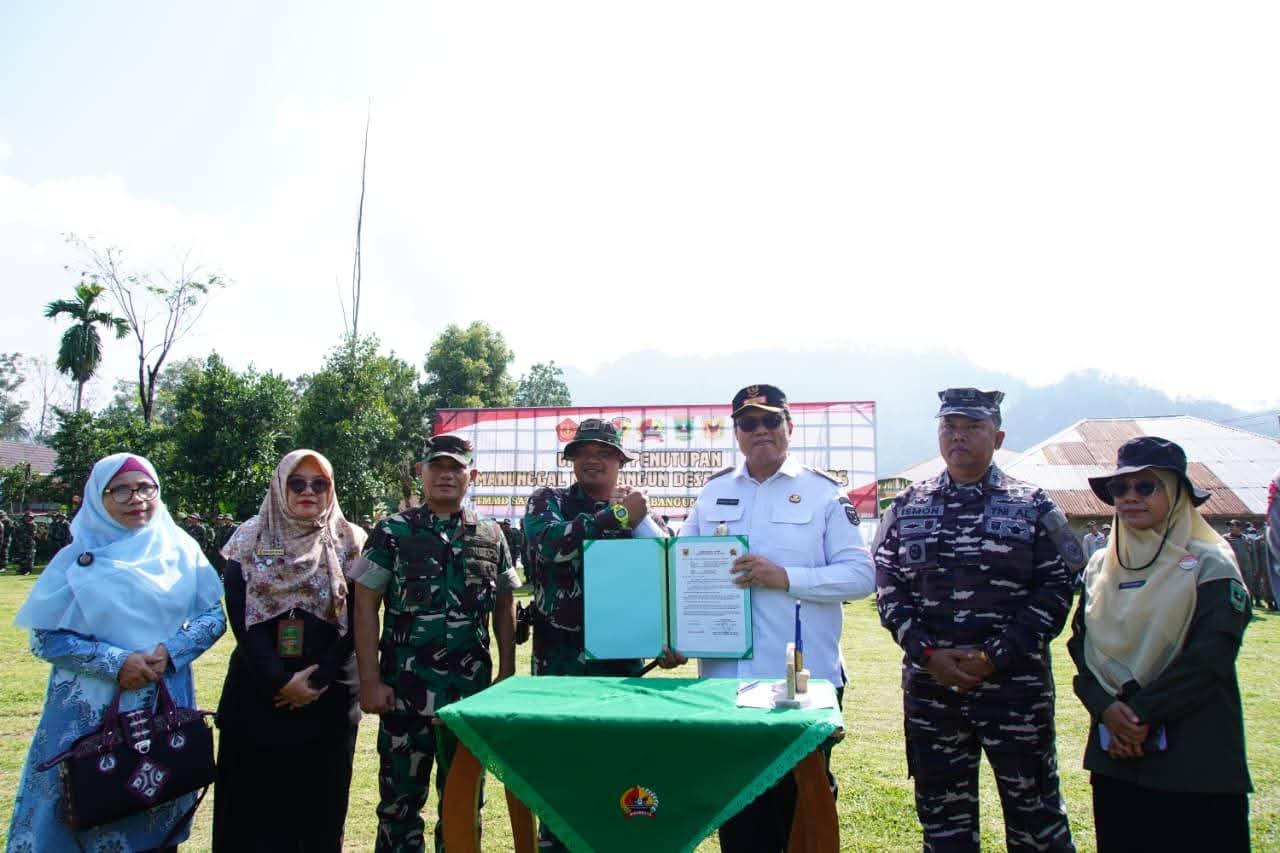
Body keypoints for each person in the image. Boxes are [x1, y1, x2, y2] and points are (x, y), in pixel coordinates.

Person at [874, 388, 1082, 852]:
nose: (959, 437)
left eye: (973, 427)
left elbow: (1056, 590)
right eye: (950, 427)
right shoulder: (908, 506)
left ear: (999, 436)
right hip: (934, 692)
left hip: (1015, 691)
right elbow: (888, 587)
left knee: (1036, 820)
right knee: (943, 822)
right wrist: (927, 654)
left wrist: (996, 655)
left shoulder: (1033, 506)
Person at [681, 383, 875, 852]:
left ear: (789, 426)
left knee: (800, 812)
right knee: (740, 810)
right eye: (749, 423)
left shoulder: (824, 493)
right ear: (736, 433)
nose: (761, 430)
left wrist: (785, 577)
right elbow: (680, 567)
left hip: (800, 680)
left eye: (771, 420)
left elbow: (861, 576)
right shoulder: (713, 493)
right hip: (726, 681)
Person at [7, 453, 226, 852]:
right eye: (120, 490)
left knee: (155, 802)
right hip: (88, 717)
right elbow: (45, 638)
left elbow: (213, 617)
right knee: (83, 810)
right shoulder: (76, 560)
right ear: (98, 497)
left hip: (163, 707)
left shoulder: (180, 549)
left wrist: (171, 651)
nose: (135, 498)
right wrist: (115, 662)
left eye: (145, 488)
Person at [1068, 436, 1252, 850]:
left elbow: (1209, 660)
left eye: (1146, 486)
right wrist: (1106, 711)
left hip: (1192, 760)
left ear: (1177, 492)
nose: (1130, 497)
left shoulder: (1210, 563)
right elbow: (1081, 650)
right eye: (1120, 488)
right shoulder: (1102, 566)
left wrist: (1135, 716)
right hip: (1115, 758)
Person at [353, 435, 520, 852]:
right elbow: (364, 605)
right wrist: (370, 682)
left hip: (468, 697)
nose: (447, 475)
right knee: (398, 807)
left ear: (472, 476)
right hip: (403, 696)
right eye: (437, 466)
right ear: (420, 473)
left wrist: (507, 671)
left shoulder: (492, 534)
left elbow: (504, 605)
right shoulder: (392, 532)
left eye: (457, 467)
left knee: (464, 806)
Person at [212, 450, 367, 852]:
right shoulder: (249, 539)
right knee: (252, 814)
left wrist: (316, 680)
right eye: (296, 483)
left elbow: (361, 618)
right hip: (260, 696)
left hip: (329, 697)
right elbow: (241, 618)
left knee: (320, 810)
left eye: (320, 484)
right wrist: (281, 682)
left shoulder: (352, 541)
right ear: (280, 487)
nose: (308, 491)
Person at [523, 418, 671, 678]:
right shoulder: (548, 500)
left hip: (621, 665)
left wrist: (675, 639)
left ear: (621, 462)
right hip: (557, 666)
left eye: (603, 453)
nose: (592, 460)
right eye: (583, 453)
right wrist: (616, 515)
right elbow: (550, 543)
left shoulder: (641, 513)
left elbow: (670, 571)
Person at [1224, 519, 1259, 607]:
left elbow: (1253, 554)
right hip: (1233, 568)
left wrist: (1255, 568)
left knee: (1248, 587)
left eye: (1232, 525)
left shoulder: (1247, 539)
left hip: (1247, 567)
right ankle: (1233, 606)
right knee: (1233, 586)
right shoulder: (1225, 538)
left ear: (1239, 527)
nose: (1230, 528)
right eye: (1229, 526)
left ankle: (1248, 606)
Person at [209, 513, 236, 578]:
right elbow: (218, 539)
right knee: (219, 568)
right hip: (221, 552)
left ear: (231, 520)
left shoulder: (235, 528)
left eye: (227, 519)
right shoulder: (221, 529)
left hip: (231, 552)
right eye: (225, 519)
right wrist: (219, 549)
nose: (226, 521)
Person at [11, 510, 37, 575]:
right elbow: (16, 532)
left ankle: (28, 570)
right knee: (22, 556)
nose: (27, 518)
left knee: (29, 557)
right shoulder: (21, 524)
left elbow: (32, 535)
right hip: (21, 543)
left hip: (29, 543)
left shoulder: (33, 525)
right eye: (26, 517)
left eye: (29, 517)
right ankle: (22, 569)